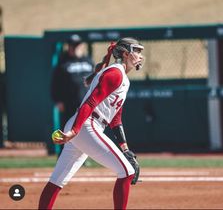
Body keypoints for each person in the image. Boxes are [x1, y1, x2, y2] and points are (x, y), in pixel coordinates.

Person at [38, 37, 145, 210]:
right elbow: (90, 103)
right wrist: (75, 130)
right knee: (126, 172)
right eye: (137, 51)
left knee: (56, 182)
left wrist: (124, 147)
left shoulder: (121, 76)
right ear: (126, 54)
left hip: (86, 126)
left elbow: (116, 117)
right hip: (87, 125)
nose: (140, 55)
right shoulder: (115, 73)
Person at [51, 34, 94, 154]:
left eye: (76, 45)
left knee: (86, 131)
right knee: (67, 129)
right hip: (69, 103)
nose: (74, 48)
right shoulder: (63, 62)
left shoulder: (88, 61)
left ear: (82, 46)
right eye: (71, 45)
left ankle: (83, 155)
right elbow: (55, 83)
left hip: (86, 103)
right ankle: (63, 154)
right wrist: (57, 100)